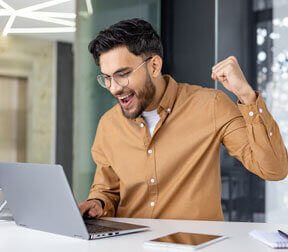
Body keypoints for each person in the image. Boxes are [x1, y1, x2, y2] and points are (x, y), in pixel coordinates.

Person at [78, 18, 288, 221]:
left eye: (122, 74)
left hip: (197, 245)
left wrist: (247, 96)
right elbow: (107, 191)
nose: (114, 88)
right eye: (107, 78)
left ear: (154, 66)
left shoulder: (210, 105)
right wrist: (97, 203)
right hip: (129, 244)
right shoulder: (109, 124)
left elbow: (274, 169)